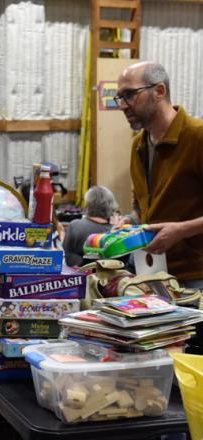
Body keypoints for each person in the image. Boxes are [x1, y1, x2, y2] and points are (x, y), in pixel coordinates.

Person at [115, 61, 203, 289]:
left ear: (159, 91)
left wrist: (181, 230)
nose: (123, 105)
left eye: (130, 95)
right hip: (152, 273)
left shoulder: (197, 137)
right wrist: (129, 220)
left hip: (195, 277)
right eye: (119, 98)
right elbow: (141, 206)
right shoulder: (138, 145)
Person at [63, 185, 117, 266]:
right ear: (110, 205)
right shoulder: (114, 233)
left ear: (88, 204)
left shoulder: (75, 226)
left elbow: (65, 254)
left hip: (79, 276)